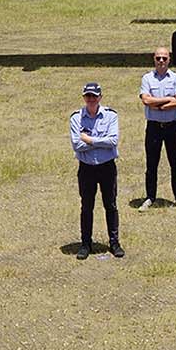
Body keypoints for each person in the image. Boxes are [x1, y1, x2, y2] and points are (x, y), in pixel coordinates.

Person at [71, 82, 123, 260]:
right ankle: (86, 244)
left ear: (100, 97)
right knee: (87, 206)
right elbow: (77, 145)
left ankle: (114, 242)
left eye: (94, 96)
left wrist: (90, 140)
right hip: (86, 169)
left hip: (107, 167)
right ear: (84, 97)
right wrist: (101, 141)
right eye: (88, 96)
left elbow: (113, 141)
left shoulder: (110, 115)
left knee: (111, 205)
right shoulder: (76, 118)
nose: (91, 99)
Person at [139, 47, 176, 210]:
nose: (161, 61)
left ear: (169, 60)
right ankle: (150, 197)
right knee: (151, 164)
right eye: (158, 58)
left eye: (164, 58)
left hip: (172, 127)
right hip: (153, 127)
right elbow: (146, 100)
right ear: (154, 59)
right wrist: (168, 99)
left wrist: (158, 104)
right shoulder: (147, 78)